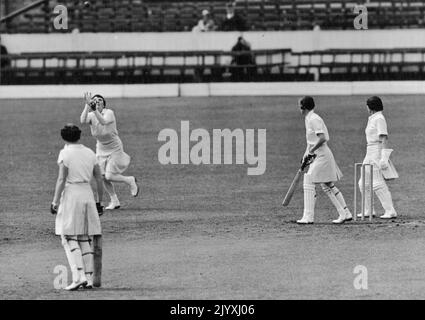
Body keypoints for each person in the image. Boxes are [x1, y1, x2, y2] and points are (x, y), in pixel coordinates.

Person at [51, 124, 104, 290]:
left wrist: (55, 201)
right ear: (79, 136)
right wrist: (99, 201)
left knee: (68, 237)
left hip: (72, 195)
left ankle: (78, 276)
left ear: (64, 137)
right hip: (87, 194)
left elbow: (61, 179)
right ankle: (88, 279)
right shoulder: (90, 152)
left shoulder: (65, 153)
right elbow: (99, 179)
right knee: (83, 237)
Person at [297, 96, 352, 224]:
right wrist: (306, 154)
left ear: (303, 107)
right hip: (318, 155)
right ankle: (345, 213)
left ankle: (308, 217)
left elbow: (322, 138)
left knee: (309, 180)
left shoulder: (314, 119)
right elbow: (310, 142)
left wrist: (311, 151)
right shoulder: (308, 118)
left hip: (323, 156)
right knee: (327, 185)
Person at [80, 93, 139, 210]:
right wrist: (87, 106)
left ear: (104, 103)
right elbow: (82, 120)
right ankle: (114, 200)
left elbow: (103, 121)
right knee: (102, 177)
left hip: (114, 147)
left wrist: (93, 109)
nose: (97, 101)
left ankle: (130, 180)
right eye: (94, 100)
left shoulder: (109, 113)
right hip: (101, 147)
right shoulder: (91, 114)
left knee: (110, 175)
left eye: (100, 100)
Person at [358, 96, 398, 219]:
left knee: (377, 182)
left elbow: (383, 138)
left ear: (371, 107)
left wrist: (383, 157)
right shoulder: (373, 118)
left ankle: (390, 210)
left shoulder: (379, 118)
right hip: (369, 151)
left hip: (376, 151)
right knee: (362, 182)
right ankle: (368, 210)